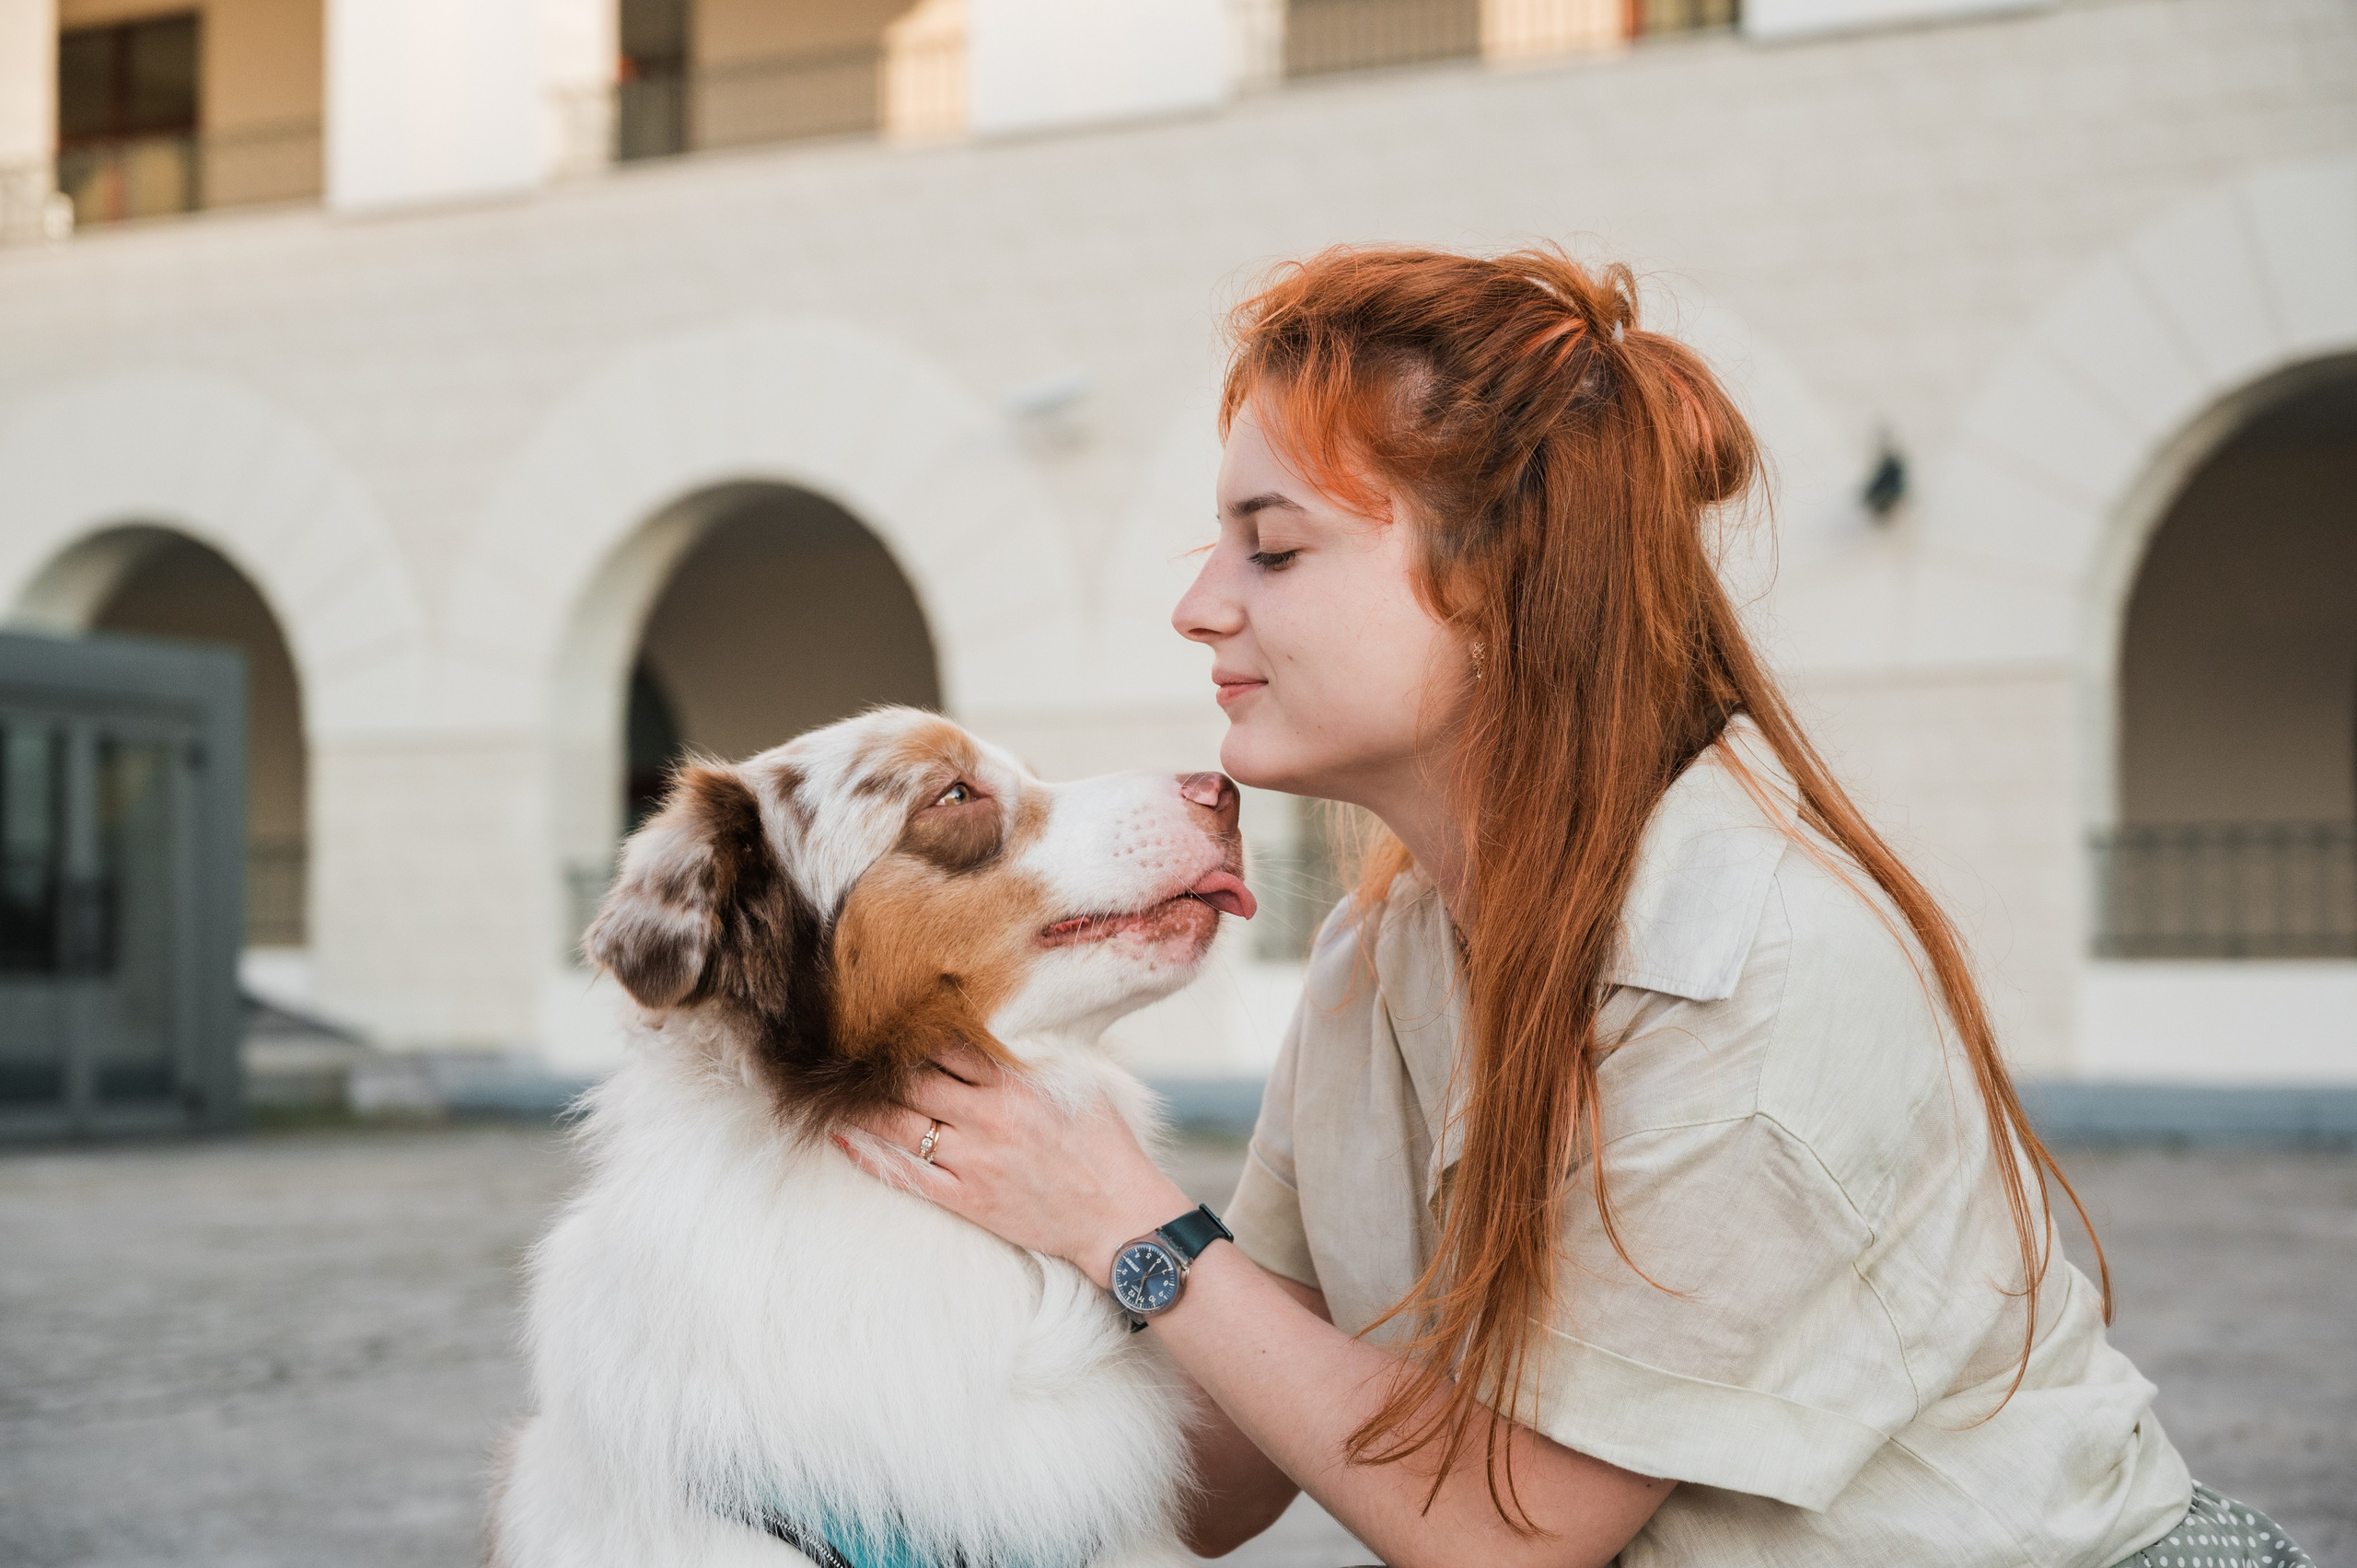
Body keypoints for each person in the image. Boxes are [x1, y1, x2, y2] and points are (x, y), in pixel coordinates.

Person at [840, 247, 2313, 1568]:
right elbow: (1224, 1469)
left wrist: (1115, 1215)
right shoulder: (1382, 951)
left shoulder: (1759, 971)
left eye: (1272, 548)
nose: (1200, 605)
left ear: (1502, 584)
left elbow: (1506, 1532)